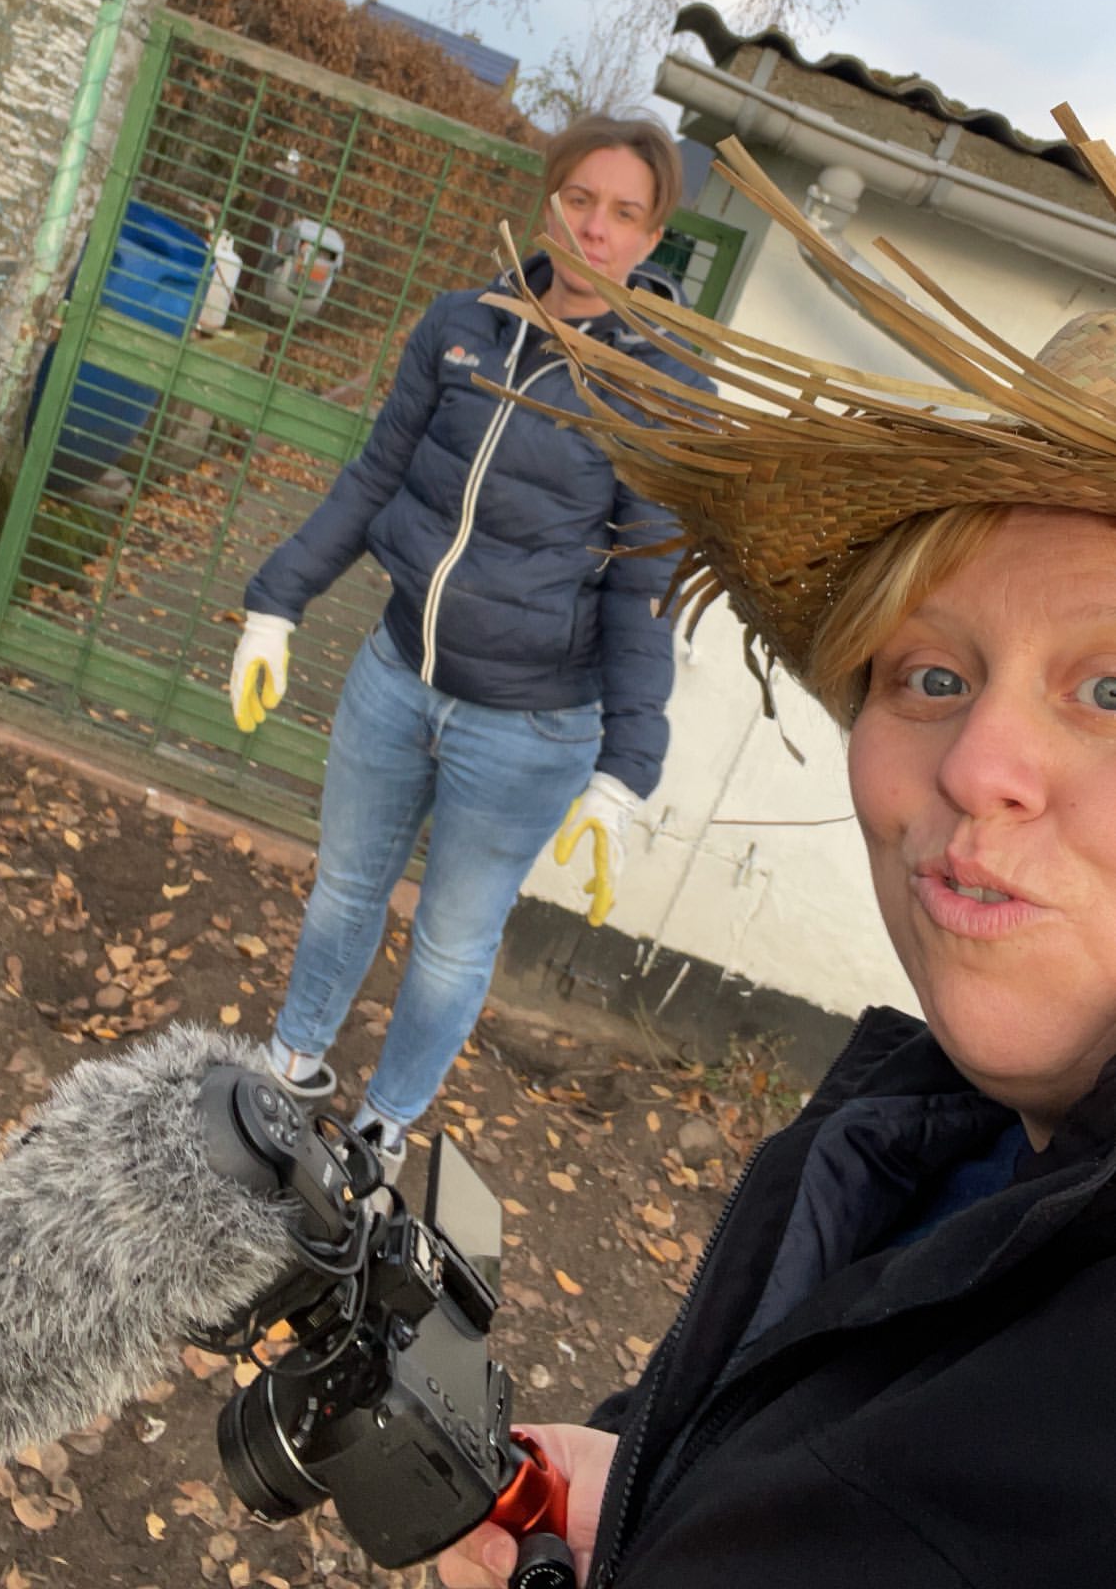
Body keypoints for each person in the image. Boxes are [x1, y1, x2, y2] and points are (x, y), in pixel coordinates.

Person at [437, 123, 1116, 1588]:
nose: (975, 764)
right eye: (930, 675)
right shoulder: (935, 1130)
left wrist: (619, 765)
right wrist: (652, 1493)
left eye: (1111, 688)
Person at [228, 112, 714, 1181]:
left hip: (530, 730)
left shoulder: (660, 387)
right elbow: (375, 476)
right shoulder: (463, 324)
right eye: (579, 199)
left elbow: (645, 587)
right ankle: (293, 1065)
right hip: (395, 677)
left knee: (452, 942)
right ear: (548, 202)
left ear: (653, 236)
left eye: (624, 213)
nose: (594, 228)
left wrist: (624, 770)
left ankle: (381, 1128)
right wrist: (277, 600)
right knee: (344, 890)